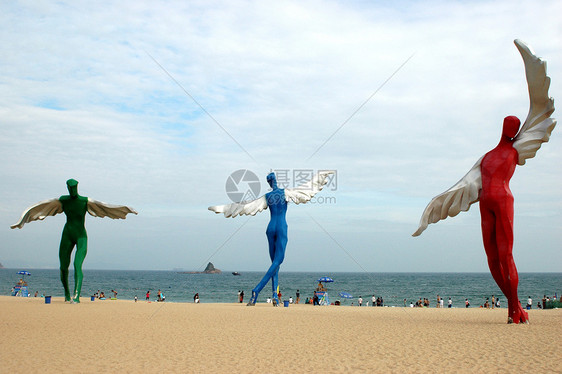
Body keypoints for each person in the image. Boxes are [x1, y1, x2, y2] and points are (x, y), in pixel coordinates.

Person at [209, 171, 333, 306]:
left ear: (269, 183)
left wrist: (225, 208)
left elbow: (244, 206)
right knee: (278, 260)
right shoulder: (285, 192)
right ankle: (256, 290)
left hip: (270, 228)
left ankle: (275, 295)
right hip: (281, 227)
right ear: (276, 181)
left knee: (275, 265)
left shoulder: (267, 197)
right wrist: (321, 176)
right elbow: (308, 188)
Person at [11, 179, 136, 303]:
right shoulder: (63, 201)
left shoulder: (85, 201)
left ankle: (76, 296)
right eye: (70, 188)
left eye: (74, 187)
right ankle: (67, 293)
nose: (72, 190)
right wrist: (22, 220)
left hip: (81, 236)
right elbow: (41, 205)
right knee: (63, 268)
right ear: (67, 188)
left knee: (77, 265)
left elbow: (106, 207)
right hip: (67, 235)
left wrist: (126, 209)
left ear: (77, 187)